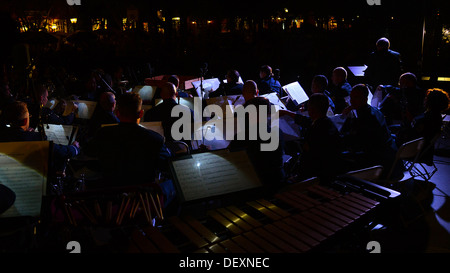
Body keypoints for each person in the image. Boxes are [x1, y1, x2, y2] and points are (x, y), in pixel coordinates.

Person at [83, 93, 173, 200]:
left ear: (117, 113)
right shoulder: (155, 139)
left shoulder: (103, 133)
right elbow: (166, 165)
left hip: (110, 196)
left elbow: (88, 151)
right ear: (141, 114)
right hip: (142, 198)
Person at [227, 80, 285, 192]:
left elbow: (230, 156)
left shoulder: (244, 136)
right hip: (278, 182)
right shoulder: (278, 132)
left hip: (256, 186)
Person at [0, 101, 80, 175]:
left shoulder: (2, 135)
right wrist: (74, 148)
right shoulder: (35, 137)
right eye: (29, 117)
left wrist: (25, 132)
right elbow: (60, 152)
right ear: (25, 121)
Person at [340, 84, 401, 179]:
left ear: (365, 98)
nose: (351, 101)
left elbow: (356, 141)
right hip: (389, 158)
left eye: (356, 97)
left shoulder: (365, 118)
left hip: (379, 163)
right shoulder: (375, 111)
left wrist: (344, 119)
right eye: (351, 97)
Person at [279, 93, 343, 183]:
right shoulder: (326, 122)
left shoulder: (316, 130)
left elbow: (309, 161)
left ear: (312, 109)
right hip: (329, 170)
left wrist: (297, 177)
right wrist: (288, 113)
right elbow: (307, 121)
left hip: (317, 176)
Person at [396, 88, 450, 165]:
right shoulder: (436, 116)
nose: (424, 99)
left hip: (410, 150)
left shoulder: (427, 118)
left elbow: (413, 134)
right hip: (420, 149)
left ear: (431, 102)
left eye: (426, 98)